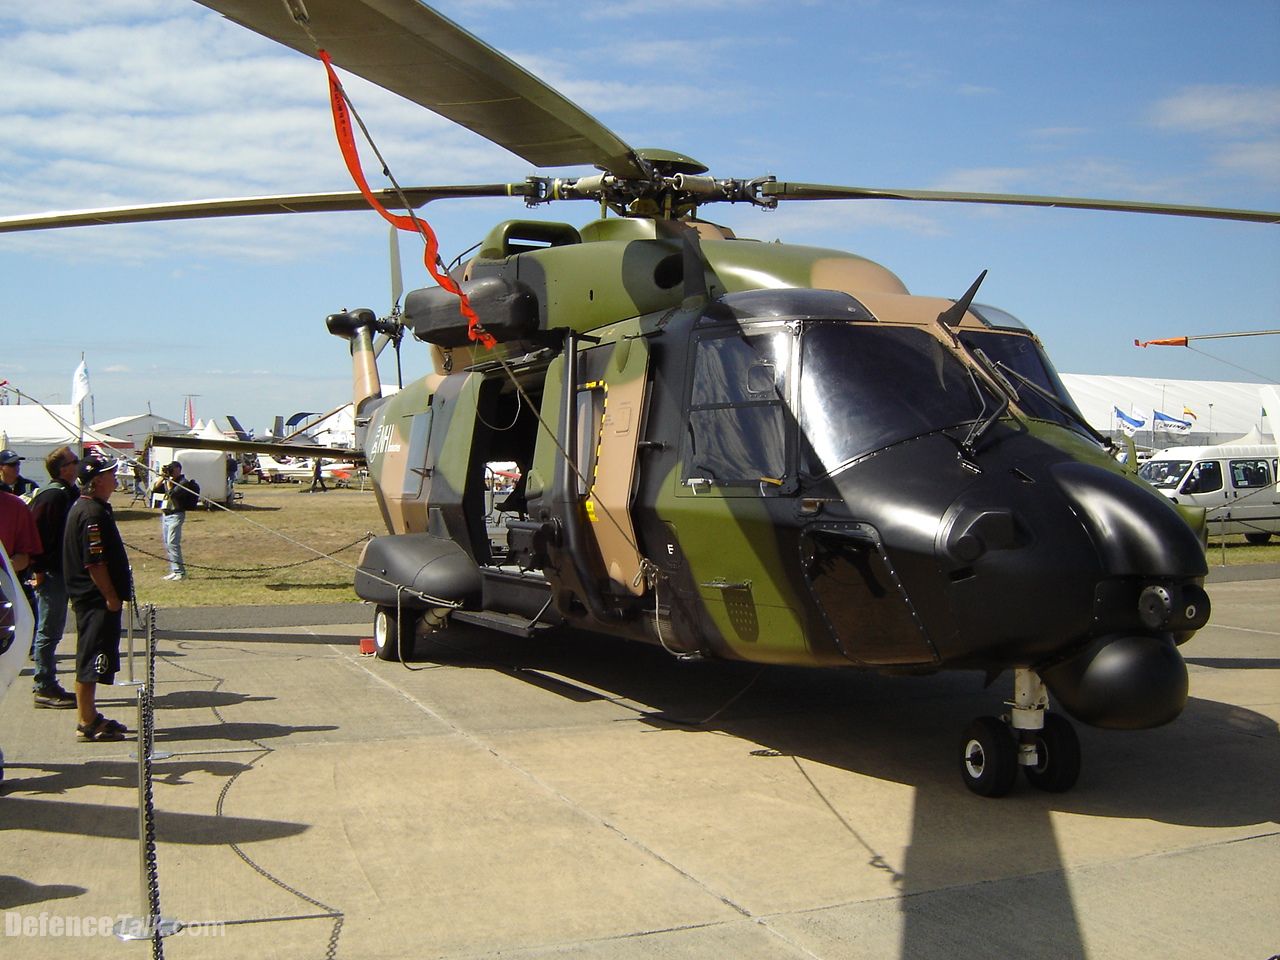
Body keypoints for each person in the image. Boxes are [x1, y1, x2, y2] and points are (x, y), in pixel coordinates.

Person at [63, 455, 130, 742]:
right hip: (94, 600)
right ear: (97, 480)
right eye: (111, 474)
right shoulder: (91, 514)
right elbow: (95, 563)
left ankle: (90, 714)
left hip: (92, 599)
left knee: (94, 656)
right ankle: (86, 720)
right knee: (90, 658)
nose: (116, 478)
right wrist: (111, 596)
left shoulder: (92, 508)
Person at [28, 446, 81, 708]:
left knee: (55, 629)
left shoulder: (70, 493)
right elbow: (35, 535)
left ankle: (47, 682)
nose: (79, 464)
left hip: (66, 570)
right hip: (52, 573)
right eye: (75, 461)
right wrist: (38, 570)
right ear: (64, 469)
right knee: (48, 630)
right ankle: (44, 684)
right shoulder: (52, 496)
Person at [151, 461, 199, 581]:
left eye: (172, 469)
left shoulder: (184, 483)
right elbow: (154, 488)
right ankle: (174, 570)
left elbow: (173, 494)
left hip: (176, 515)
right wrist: (163, 478)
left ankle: (180, 572)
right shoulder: (167, 481)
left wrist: (169, 482)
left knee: (173, 543)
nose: (171, 471)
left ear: (179, 469)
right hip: (166, 515)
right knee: (168, 544)